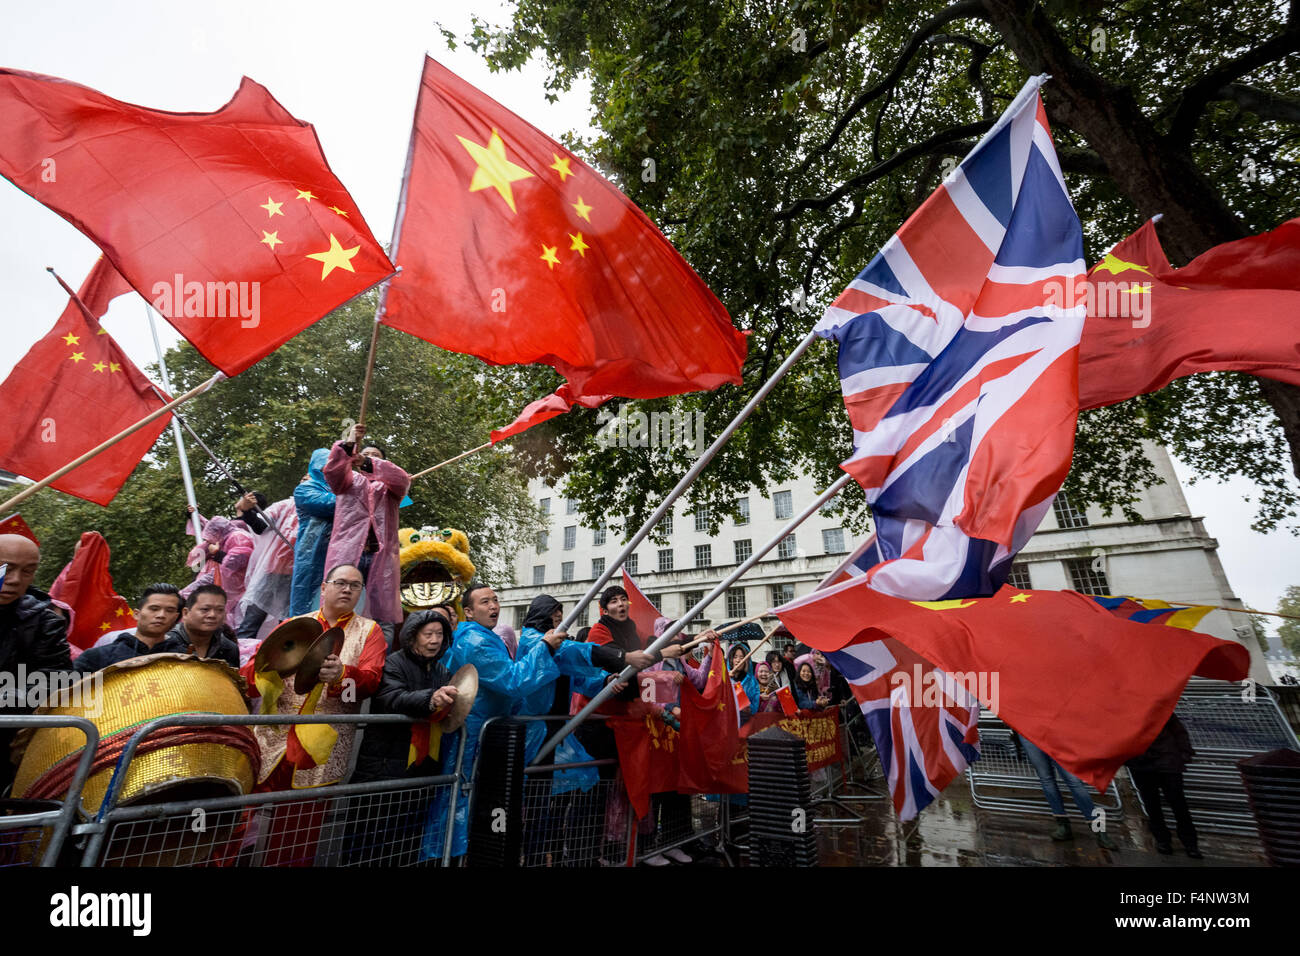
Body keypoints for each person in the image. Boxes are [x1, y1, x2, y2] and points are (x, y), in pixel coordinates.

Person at [236, 563, 388, 866]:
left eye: (355, 585)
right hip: (270, 740)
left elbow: (369, 684)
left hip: (320, 749)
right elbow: (250, 680)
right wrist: (271, 670)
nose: (347, 589)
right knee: (235, 819)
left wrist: (342, 676)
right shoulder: (293, 625)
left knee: (298, 836)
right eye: (340, 582)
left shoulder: (370, 631)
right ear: (323, 587)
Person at [434, 583, 566, 859]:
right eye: (485, 602)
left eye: (495, 600)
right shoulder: (476, 642)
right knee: (463, 804)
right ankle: (456, 856)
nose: (494, 606)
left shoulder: (486, 636)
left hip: (486, 734)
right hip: (473, 736)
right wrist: (543, 648)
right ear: (468, 611)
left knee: (479, 803)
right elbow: (513, 681)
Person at [344, 609, 459, 865]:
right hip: (382, 770)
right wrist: (431, 699)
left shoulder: (442, 670)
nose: (435, 640)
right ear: (412, 637)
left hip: (420, 773)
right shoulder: (393, 663)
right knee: (369, 845)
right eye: (428, 634)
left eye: (440, 634)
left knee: (406, 844)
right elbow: (392, 698)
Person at [0, 533, 74, 792]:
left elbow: (55, 684)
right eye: (6, 569)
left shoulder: (46, 623)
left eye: (27, 571)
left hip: (10, 746)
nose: (15, 580)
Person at [323, 425, 410, 639]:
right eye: (365, 453)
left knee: (382, 614)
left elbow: (402, 480)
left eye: (376, 457)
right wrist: (350, 441)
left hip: (380, 558)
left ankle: (380, 664)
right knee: (339, 605)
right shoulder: (346, 481)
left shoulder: (391, 487)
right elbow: (332, 471)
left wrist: (368, 462)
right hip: (348, 555)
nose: (369, 457)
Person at [1015, 732, 1118, 850]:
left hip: (1053, 732)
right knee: (1047, 779)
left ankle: (1099, 830)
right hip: (1027, 733)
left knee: (1072, 780)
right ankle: (1063, 825)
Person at [1126, 713, 1201, 858]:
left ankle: (1185, 842)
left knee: (1176, 804)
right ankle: (1169, 841)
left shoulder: (1161, 709)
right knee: (1154, 805)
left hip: (1164, 762)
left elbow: (1178, 731)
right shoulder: (1124, 716)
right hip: (1144, 763)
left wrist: (1183, 753)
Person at [74, 584, 182, 673]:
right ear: (136, 614)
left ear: (176, 617)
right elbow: (65, 693)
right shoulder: (97, 657)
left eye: (170, 610)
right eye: (154, 609)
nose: (161, 615)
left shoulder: (184, 660)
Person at [235, 497, 299, 643]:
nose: (307, 479)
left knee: (288, 624)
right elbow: (260, 526)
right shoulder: (285, 505)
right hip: (273, 572)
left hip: (301, 577)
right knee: (252, 619)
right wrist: (247, 511)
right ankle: (239, 658)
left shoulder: (325, 504)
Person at [180, 513, 255, 630]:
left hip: (237, 586)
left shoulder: (238, 537)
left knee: (236, 618)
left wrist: (216, 553)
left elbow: (238, 560)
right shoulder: (225, 538)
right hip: (225, 581)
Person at [290, 448, 336, 616]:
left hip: (337, 552)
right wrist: (357, 494)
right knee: (305, 599)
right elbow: (327, 504)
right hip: (311, 555)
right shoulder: (305, 488)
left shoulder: (342, 487)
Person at [162, 585, 241, 668]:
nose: (212, 615)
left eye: (220, 610)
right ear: (185, 613)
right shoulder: (165, 645)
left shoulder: (229, 649)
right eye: (205, 609)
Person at [728, 643, 760, 723]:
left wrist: (747, 707)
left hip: (745, 723)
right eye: (735, 657)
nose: (738, 660)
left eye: (741, 657)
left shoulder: (752, 682)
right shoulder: (724, 678)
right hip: (726, 721)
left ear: (747, 661)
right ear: (731, 659)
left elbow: (754, 706)